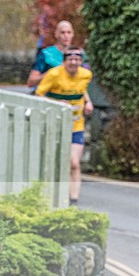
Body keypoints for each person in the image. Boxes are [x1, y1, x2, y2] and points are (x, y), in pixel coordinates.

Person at [35, 46, 93, 205]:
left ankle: (73, 200)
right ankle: (51, 195)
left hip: (76, 125)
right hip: (56, 126)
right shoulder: (54, 74)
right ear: (64, 62)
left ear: (81, 62)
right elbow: (38, 96)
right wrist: (57, 103)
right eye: (70, 60)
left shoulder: (86, 75)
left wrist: (88, 102)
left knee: (74, 162)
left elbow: (82, 89)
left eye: (77, 60)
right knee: (55, 163)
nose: (73, 63)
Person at [27, 20, 85, 90]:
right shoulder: (46, 54)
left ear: (72, 34)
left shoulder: (79, 53)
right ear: (56, 34)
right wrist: (52, 74)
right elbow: (31, 82)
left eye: (69, 32)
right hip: (51, 96)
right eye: (62, 33)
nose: (66, 36)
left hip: (73, 96)